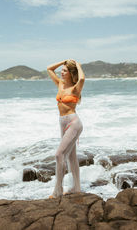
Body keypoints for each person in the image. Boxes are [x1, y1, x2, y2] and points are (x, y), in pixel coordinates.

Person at [47, 59, 85, 198]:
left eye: (64, 71)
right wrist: (63, 62)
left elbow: (82, 78)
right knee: (71, 157)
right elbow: (49, 68)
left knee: (59, 155)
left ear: (71, 73)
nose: (61, 73)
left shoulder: (75, 88)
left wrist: (78, 66)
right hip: (62, 122)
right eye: (61, 71)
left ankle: (58, 190)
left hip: (73, 123)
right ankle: (76, 187)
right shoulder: (60, 85)